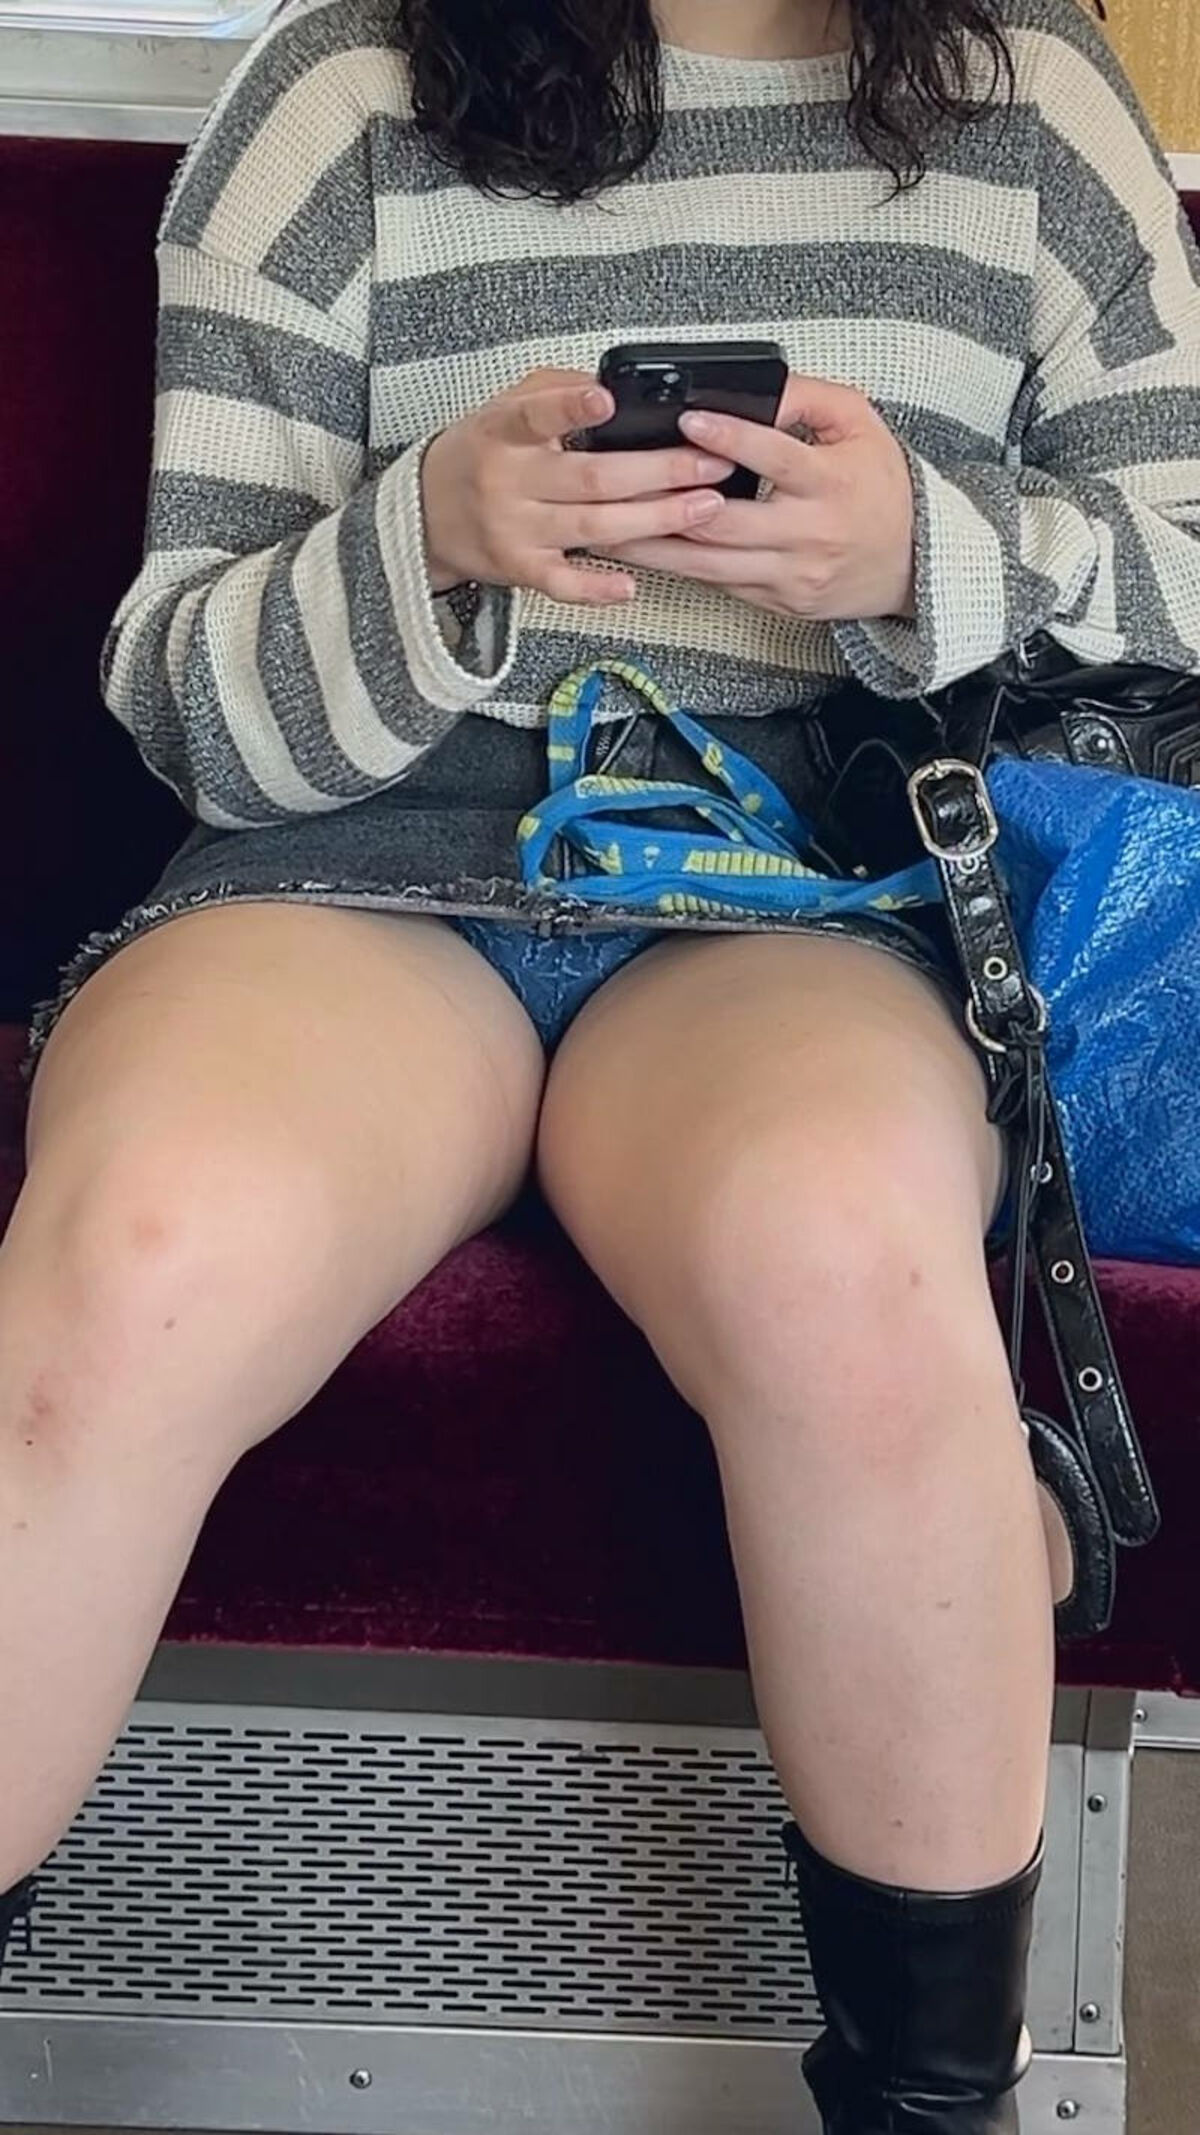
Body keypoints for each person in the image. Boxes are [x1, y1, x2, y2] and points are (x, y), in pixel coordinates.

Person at [3, 0, 1199, 2119]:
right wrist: (427, 543)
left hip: (809, 883)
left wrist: (926, 556)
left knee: (846, 1254)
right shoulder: (341, 87)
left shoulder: (1031, 99)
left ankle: (931, 2104)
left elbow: (1185, 593)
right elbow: (186, 705)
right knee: (143, 1250)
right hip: (357, 870)